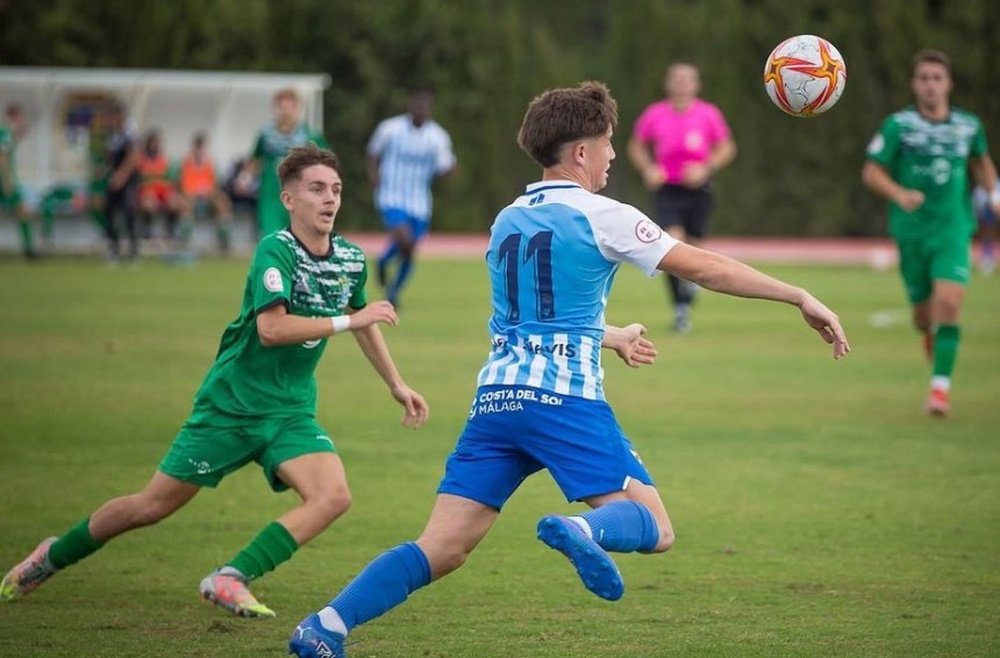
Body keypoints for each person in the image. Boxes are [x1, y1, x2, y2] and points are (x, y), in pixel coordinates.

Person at [288, 81, 849, 658]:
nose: (611, 155)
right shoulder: (604, 214)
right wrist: (797, 294)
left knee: (442, 546)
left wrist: (610, 337)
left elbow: (529, 321)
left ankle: (326, 625)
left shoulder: (506, 219)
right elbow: (703, 267)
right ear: (580, 151)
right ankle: (583, 530)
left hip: (497, 400)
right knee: (654, 527)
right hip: (563, 399)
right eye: (607, 143)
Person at [0, 145, 430, 620]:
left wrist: (396, 382)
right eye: (316, 189)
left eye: (336, 190)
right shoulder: (275, 250)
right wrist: (349, 321)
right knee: (150, 507)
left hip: (289, 412)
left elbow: (361, 316)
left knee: (333, 496)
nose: (329, 199)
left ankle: (230, 577)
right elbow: (273, 330)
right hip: (230, 407)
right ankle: (54, 555)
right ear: (288, 199)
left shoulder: (350, 258)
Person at [862, 48, 1000, 417]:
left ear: (948, 84)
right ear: (914, 84)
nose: (930, 86)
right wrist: (899, 194)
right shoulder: (899, 126)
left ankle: (939, 391)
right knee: (923, 316)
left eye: (937, 79)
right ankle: (929, 335)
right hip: (911, 233)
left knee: (950, 304)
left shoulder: (968, 126)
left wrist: (994, 195)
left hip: (953, 229)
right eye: (923, 78)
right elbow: (872, 172)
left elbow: (982, 163)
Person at [628, 62, 737, 333]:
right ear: (667, 83)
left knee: (695, 247)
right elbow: (636, 145)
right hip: (668, 190)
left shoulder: (708, 114)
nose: (681, 84)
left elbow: (727, 148)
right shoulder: (655, 114)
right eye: (676, 78)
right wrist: (649, 169)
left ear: (696, 85)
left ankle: (689, 288)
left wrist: (706, 168)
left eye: (687, 79)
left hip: (699, 190)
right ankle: (680, 310)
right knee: (672, 244)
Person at [367, 87, 456, 307]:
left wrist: (450, 172)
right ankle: (385, 268)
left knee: (409, 250)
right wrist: (374, 175)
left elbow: (444, 167)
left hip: (420, 201)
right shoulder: (391, 128)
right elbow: (373, 152)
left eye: (425, 107)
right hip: (391, 195)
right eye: (417, 105)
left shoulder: (437, 137)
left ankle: (392, 289)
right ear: (410, 106)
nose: (420, 110)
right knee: (404, 240)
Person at [240, 88, 328, 241]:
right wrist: (245, 177)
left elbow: (324, 163)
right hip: (271, 194)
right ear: (276, 108)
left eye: (289, 107)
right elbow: (255, 159)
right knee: (272, 237)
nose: (285, 112)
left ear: (297, 108)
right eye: (282, 107)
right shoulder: (266, 135)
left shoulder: (309, 135)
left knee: (298, 237)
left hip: (299, 193)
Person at [178, 132, 234, 254]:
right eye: (198, 146)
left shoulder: (209, 162)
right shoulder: (187, 162)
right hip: (192, 196)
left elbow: (214, 184)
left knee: (223, 203)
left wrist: (209, 192)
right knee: (185, 204)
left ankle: (224, 242)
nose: (200, 150)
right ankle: (184, 241)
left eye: (201, 146)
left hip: (207, 196)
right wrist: (195, 192)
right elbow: (184, 184)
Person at [99, 101, 141, 262]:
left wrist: (122, 175)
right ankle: (114, 246)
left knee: (128, 209)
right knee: (108, 209)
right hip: (115, 175)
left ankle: (133, 249)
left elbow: (134, 156)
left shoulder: (130, 130)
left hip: (128, 177)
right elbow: (110, 155)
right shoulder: (111, 132)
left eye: (110, 117)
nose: (107, 121)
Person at [0, 103, 39, 260]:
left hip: (5, 179)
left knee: (21, 212)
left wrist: (21, 132)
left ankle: (29, 250)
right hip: (5, 180)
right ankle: (29, 251)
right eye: (20, 117)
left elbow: (10, 144)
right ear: (14, 117)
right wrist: (7, 181)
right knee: (23, 211)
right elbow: (2, 157)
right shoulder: (5, 132)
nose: (22, 120)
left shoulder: (6, 132)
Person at [137, 129, 180, 244]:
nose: (154, 146)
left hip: (163, 192)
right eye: (152, 143)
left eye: (157, 143)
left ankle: (170, 232)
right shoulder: (141, 161)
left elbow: (170, 181)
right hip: (147, 193)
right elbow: (139, 181)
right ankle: (147, 232)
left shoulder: (164, 160)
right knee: (149, 202)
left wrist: (171, 192)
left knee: (174, 202)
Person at [972, 182, 999, 275]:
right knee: (986, 234)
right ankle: (985, 256)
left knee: (991, 234)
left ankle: (989, 256)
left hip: (993, 214)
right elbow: (977, 204)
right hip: (984, 214)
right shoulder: (980, 188)